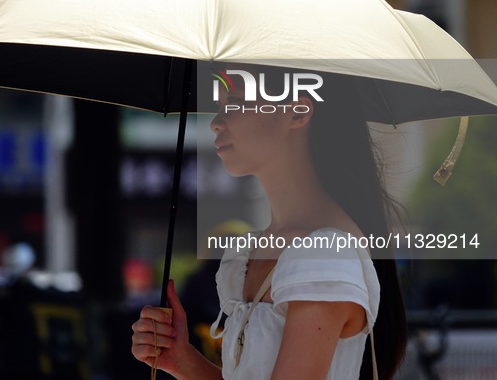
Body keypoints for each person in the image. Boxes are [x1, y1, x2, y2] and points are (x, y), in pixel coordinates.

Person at [132, 68, 407, 379]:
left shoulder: (326, 256)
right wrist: (182, 361)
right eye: (221, 106)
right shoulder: (260, 249)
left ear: (298, 112)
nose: (215, 122)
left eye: (234, 103)